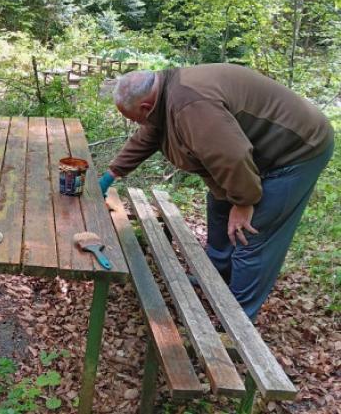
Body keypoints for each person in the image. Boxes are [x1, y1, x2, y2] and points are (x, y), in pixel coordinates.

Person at [99, 64, 334, 320]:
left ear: (146, 107)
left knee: (251, 233)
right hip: (252, 154)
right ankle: (216, 277)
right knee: (220, 206)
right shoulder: (165, 94)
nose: (137, 124)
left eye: (134, 118)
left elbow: (232, 158)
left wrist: (244, 203)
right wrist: (112, 173)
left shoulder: (191, 104)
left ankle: (238, 320)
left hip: (296, 151)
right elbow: (149, 135)